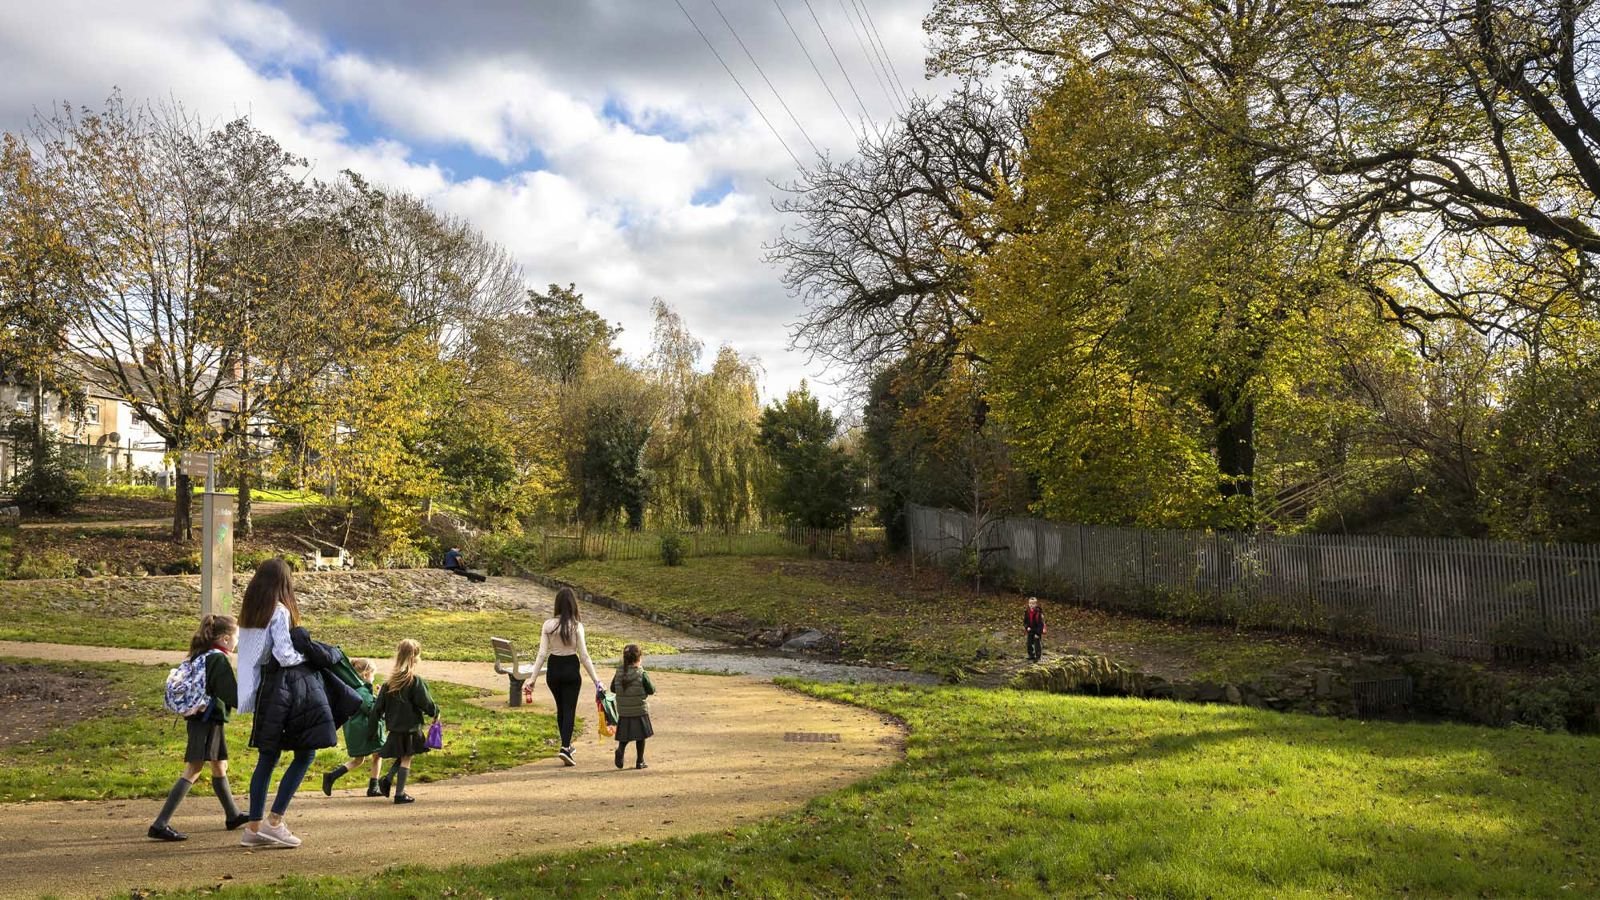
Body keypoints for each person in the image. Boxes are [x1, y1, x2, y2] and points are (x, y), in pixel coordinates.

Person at [236, 558, 338, 849]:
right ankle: (275, 822)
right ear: (284, 583)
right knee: (306, 754)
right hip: (285, 687)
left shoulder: (251, 612)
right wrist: (309, 657)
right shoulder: (278, 611)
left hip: (264, 689)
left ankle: (254, 827)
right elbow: (284, 654)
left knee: (267, 759)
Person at [147, 614, 249, 841]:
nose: (237, 642)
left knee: (220, 764)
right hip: (207, 720)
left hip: (202, 718)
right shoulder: (218, 660)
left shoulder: (200, 655)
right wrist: (253, 699)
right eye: (236, 637)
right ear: (224, 639)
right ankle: (160, 824)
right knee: (194, 768)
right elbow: (230, 694)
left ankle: (232, 815)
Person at [529, 587, 605, 766]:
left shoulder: (548, 625)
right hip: (571, 668)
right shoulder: (577, 626)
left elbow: (541, 654)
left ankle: (567, 745)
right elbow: (584, 656)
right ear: (573, 605)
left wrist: (532, 679)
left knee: (561, 709)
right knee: (569, 709)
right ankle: (565, 747)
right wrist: (597, 681)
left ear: (557, 604)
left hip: (554, 669)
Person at [374, 639, 439, 804]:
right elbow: (425, 702)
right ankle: (399, 793)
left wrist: (375, 724)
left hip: (395, 725)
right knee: (407, 756)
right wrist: (435, 712)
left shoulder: (389, 682)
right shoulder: (414, 681)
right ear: (415, 658)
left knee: (404, 753)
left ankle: (387, 779)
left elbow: (378, 707)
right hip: (410, 726)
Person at [320, 658, 386, 798]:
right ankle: (373, 787)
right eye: (373, 674)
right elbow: (371, 709)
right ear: (365, 674)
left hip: (356, 729)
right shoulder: (362, 690)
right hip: (365, 729)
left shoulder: (354, 688)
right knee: (378, 754)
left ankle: (332, 776)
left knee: (359, 760)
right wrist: (380, 697)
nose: (374, 678)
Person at [610, 643, 656, 770]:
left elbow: (613, 688)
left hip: (624, 710)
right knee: (640, 736)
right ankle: (639, 761)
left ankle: (621, 749)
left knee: (624, 735)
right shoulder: (641, 673)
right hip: (639, 709)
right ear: (639, 658)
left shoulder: (619, 672)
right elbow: (651, 690)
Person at [1023, 596, 1046, 663]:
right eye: (1030, 603)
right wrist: (1027, 627)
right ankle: (1031, 655)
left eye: (1033, 604)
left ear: (1036, 604)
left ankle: (1038, 657)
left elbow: (1041, 624)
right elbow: (1025, 622)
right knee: (1029, 643)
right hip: (1030, 630)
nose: (1031, 605)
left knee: (1037, 644)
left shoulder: (1038, 613)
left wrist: (1038, 633)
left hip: (1037, 630)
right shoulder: (1027, 611)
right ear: (1028, 604)